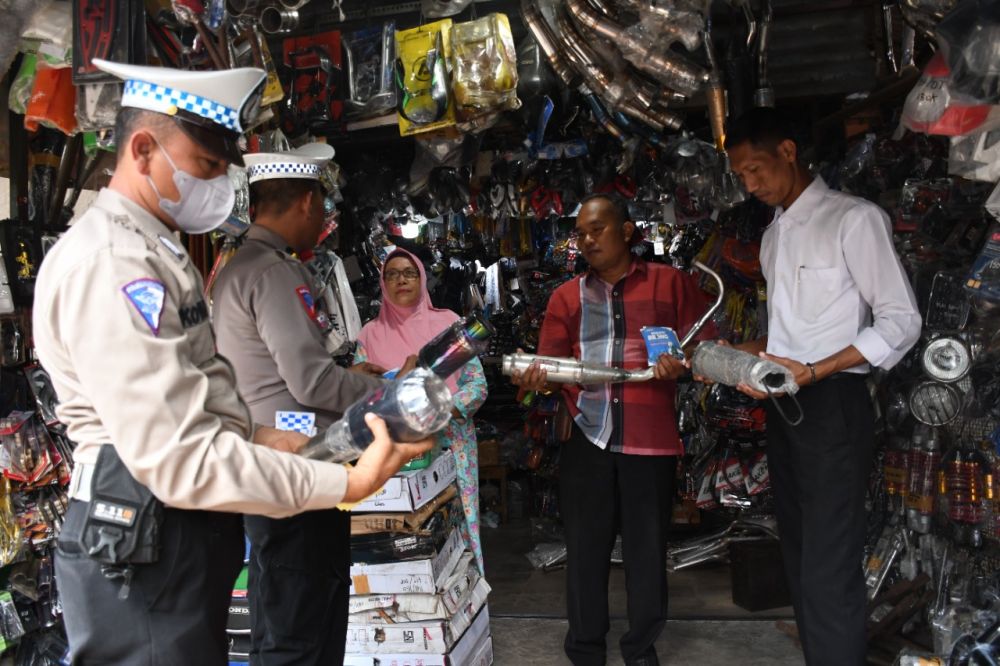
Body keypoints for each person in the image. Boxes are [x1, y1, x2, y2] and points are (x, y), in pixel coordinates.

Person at [31, 60, 431, 666]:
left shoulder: (152, 246)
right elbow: (181, 455)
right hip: (138, 537)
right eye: (206, 167)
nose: (220, 186)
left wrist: (259, 433)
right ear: (143, 150)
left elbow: (188, 391)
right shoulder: (115, 262)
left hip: (167, 532)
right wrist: (346, 482)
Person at [723, 107, 921, 666]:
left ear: (788, 151)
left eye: (756, 168)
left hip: (833, 404)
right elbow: (793, 333)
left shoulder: (853, 219)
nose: (751, 184)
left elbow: (900, 321)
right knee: (801, 553)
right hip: (786, 406)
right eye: (741, 176)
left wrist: (817, 370)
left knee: (829, 561)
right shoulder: (772, 238)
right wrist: (747, 353)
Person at [209, 143, 397, 665]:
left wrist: (348, 377)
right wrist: (386, 392)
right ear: (307, 203)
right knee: (306, 612)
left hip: (263, 457)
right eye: (322, 207)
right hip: (299, 461)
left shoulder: (235, 266)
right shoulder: (274, 271)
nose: (323, 220)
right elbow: (311, 382)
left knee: (279, 609)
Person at [510, 193, 716, 666]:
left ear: (626, 231)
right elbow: (550, 365)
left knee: (647, 552)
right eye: (579, 233)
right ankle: (585, 651)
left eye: (596, 229)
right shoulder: (567, 297)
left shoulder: (671, 284)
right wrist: (539, 382)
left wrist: (682, 367)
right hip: (589, 435)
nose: (586, 240)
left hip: (650, 437)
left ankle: (641, 650)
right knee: (585, 550)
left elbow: (704, 348)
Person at [354, 248, 489, 571]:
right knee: (408, 534)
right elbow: (360, 397)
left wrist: (441, 411)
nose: (401, 280)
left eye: (409, 273)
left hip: (452, 443)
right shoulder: (369, 335)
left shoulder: (448, 323)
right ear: (383, 282)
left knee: (458, 527)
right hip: (399, 454)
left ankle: (468, 610)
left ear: (422, 278)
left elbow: (477, 385)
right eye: (392, 274)